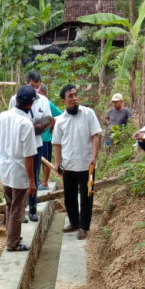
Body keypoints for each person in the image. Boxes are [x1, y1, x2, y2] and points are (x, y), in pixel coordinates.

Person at [52, 85, 102, 240]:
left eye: (75, 95)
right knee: (69, 196)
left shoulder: (88, 114)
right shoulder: (60, 121)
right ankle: (74, 222)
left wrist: (94, 156)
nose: (74, 99)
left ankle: (83, 226)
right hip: (69, 166)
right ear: (64, 100)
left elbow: (95, 136)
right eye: (70, 96)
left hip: (88, 164)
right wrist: (57, 163)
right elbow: (57, 144)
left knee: (87, 196)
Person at [0, 85, 38, 252]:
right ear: (30, 104)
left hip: (5, 168)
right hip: (18, 171)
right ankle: (12, 243)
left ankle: (11, 237)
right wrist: (32, 181)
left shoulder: (3, 116)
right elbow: (28, 156)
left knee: (10, 205)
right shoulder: (25, 123)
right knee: (18, 209)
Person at [8, 70, 51, 221]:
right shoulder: (15, 99)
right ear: (26, 83)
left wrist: (41, 126)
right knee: (21, 176)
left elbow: (47, 120)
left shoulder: (43, 101)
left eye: (38, 86)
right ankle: (21, 210)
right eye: (32, 86)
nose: (35, 90)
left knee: (34, 175)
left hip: (36, 143)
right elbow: (11, 120)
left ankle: (32, 209)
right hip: (19, 145)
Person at [37, 83, 62, 190]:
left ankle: (45, 182)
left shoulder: (48, 103)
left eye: (38, 92)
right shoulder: (36, 103)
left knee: (45, 161)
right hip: (36, 138)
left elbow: (60, 115)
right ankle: (38, 180)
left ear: (44, 93)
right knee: (37, 160)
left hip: (46, 138)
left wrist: (51, 127)